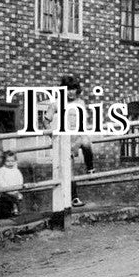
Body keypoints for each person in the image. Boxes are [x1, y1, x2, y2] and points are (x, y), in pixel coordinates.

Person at [43, 75, 94, 207]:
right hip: (65, 141)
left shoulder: (80, 103)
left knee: (87, 142)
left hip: (78, 137)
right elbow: (45, 120)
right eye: (68, 89)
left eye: (73, 89)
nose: (71, 92)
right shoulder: (56, 103)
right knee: (69, 170)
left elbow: (83, 123)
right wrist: (53, 137)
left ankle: (90, 168)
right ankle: (74, 197)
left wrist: (78, 143)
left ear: (77, 90)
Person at [0, 150, 24, 219]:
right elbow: (2, 184)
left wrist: (18, 188)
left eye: (12, 161)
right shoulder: (1, 170)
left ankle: (17, 212)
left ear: (15, 161)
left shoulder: (16, 170)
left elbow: (20, 179)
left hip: (14, 190)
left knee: (17, 201)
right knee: (7, 203)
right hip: (4, 192)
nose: (10, 163)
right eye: (7, 161)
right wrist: (11, 192)